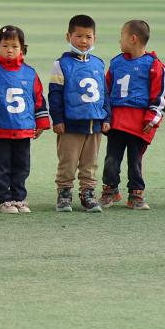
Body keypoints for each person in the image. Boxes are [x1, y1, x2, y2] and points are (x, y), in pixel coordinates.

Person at [0, 25, 50, 214]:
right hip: (0, 129)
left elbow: (38, 99)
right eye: (5, 46)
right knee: (1, 166)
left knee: (22, 165)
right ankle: (4, 199)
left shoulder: (30, 73)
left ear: (22, 49)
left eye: (14, 46)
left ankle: (19, 198)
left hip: (23, 128)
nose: (9, 50)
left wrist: (41, 122)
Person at [101, 20, 165, 210]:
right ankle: (110, 190)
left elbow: (160, 95)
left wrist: (152, 118)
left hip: (139, 123)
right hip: (116, 121)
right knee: (112, 158)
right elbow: (106, 90)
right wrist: (105, 116)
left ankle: (136, 193)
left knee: (135, 160)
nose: (120, 41)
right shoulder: (116, 62)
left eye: (122, 36)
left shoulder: (154, 65)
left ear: (133, 39)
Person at [49, 14, 110, 213]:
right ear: (68, 37)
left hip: (95, 123)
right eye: (79, 36)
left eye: (88, 37)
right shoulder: (61, 64)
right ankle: (64, 193)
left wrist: (107, 117)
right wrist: (57, 119)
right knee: (68, 161)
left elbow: (104, 93)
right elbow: (55, 94)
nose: (84, 41)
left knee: (90, 163)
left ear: (94, 38)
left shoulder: (98, 63)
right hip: (71, 124)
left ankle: (88, 193)